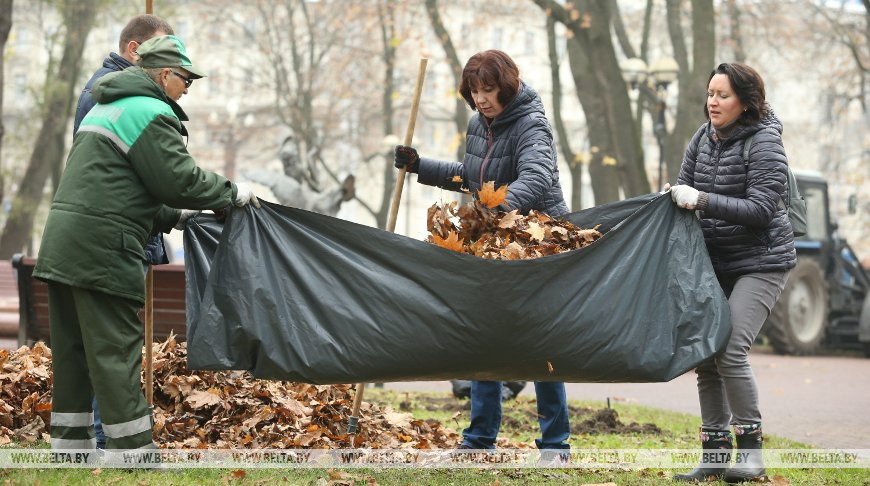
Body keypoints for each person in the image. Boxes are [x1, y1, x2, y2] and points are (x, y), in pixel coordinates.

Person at [34, 35, 259, 454]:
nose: (188, 86)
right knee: (113, 355)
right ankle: (133, 454)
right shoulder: (151, 113)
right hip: (103, 253)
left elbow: (118, 190)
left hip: (63, 248)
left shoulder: (105, 107)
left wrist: (176, 217)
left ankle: (69, 450)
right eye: (184, 77)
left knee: (73, 356)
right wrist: (232, 192)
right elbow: (179, 180)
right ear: (161, 74)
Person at [393, 49, 571, 456]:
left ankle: (555, 445)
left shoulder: (532, 124)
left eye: (488, 90)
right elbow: (471, 177)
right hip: (493, 242)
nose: (481, 99)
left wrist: (498, 211)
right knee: (483, 336)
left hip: (536, 241)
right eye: (474, 91)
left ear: (506, 87)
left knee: (542, 343)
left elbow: (537, 178)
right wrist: (420, 165)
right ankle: (478, 440)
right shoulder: (479, 124)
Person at [668, 63, 796, 482]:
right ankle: (715, 456)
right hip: (715, 262)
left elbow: (761, 211)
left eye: (722, 95)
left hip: (762, 261)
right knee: (706, 353)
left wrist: (701, 199)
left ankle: (752, 454)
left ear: (746, 101)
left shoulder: (765, 143)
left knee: (730, 349)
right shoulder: (701, 139)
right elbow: (682, 198)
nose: (713, 102)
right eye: (710, 94)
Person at [72, 13, 174, 451]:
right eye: (161, 53)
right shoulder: (110, 94)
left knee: (110, 345)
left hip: (122, 234)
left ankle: (105, 439)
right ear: (134, 51)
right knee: (112, 347)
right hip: (112, 239)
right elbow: (137, 174)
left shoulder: (120, 90)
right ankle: (107, 439)